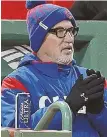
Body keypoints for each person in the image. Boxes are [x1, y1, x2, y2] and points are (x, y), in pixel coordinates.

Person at [1, 2, 107, 137]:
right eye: (60, 32)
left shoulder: (88, 78)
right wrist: (67, 106)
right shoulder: (17, 82)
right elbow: (16, 132)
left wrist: (99, 111)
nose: (69, 39)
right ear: (39, 38)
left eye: (71, 31)